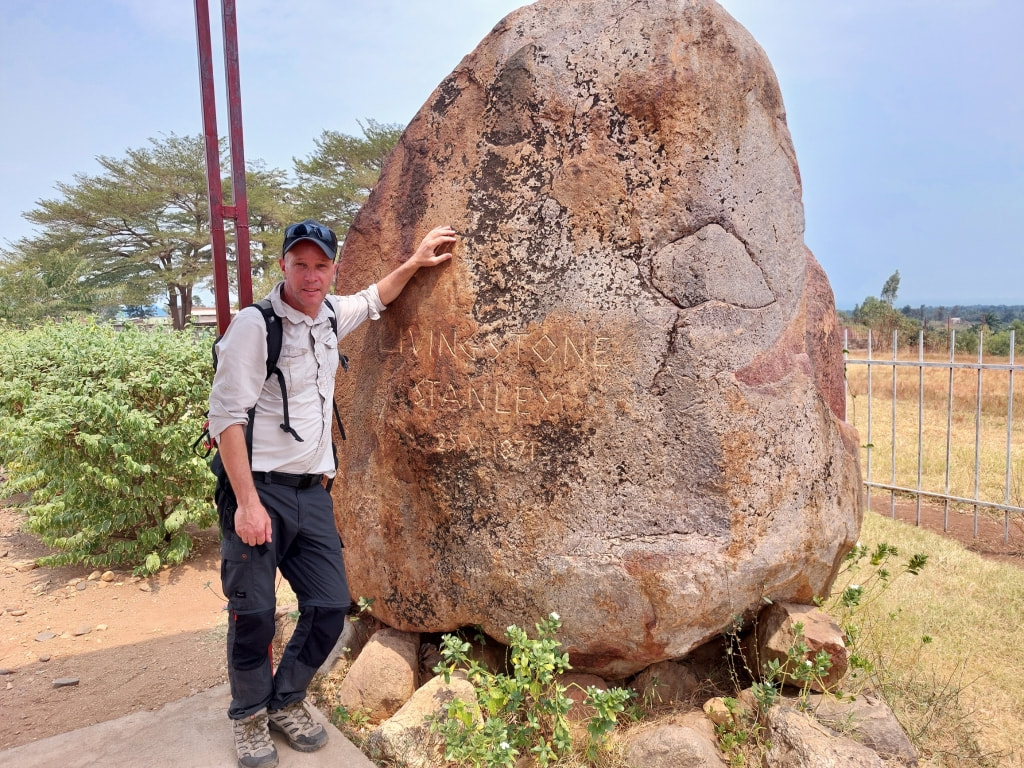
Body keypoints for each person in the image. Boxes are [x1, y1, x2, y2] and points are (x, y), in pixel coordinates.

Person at [208, 218, 456, 768]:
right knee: (254, 613)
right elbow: (225, 419)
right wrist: (247, 503)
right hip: (259, 491)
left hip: (312, 493)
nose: (312, 275)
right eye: (301, 264)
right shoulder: (255, 326)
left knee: (327, 605)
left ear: (332, 268)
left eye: (321, 265)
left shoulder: (328, 315)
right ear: (283, 267)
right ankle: (249, 716)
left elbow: (373, 300)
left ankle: (286, 700)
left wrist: (415, 264)